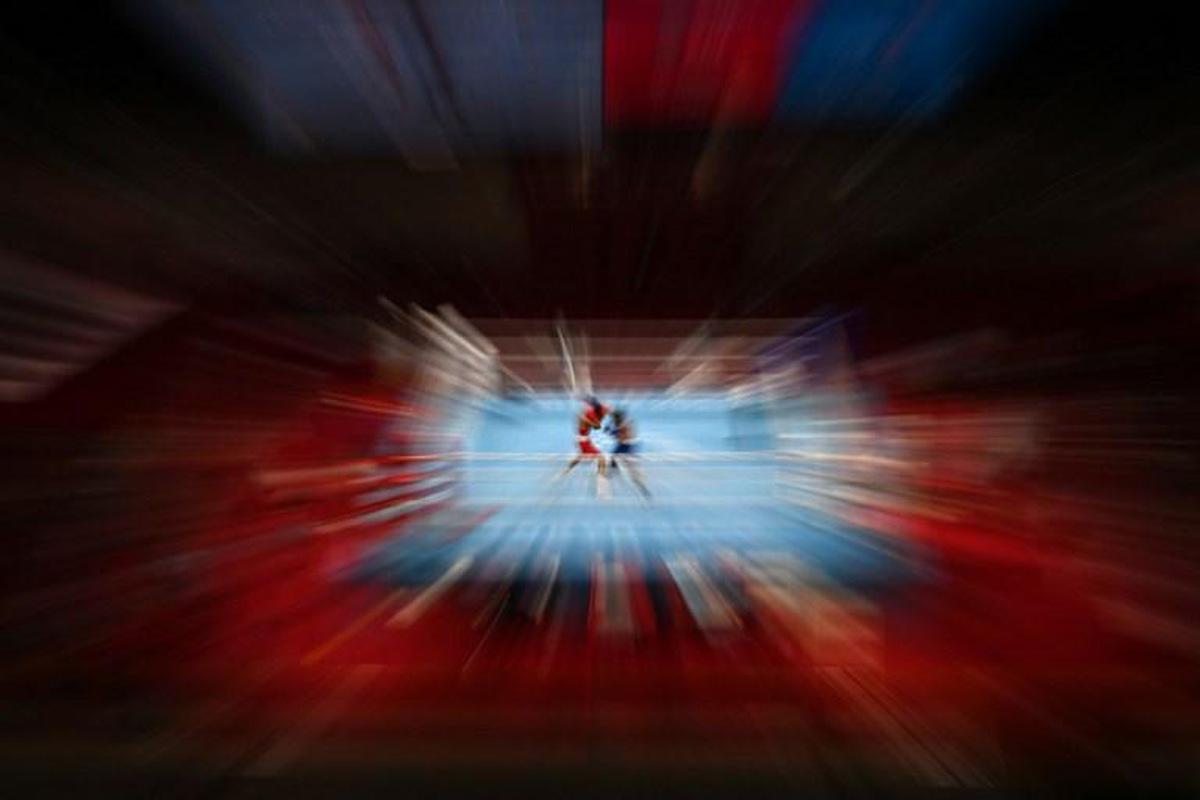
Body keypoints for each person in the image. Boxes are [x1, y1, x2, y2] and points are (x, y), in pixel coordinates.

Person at [558, 395, 609, 484]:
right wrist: (597, 420)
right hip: (584, 441)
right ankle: (601, 477)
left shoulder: (584, 416)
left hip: (582, 440)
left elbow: (594, 424)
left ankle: (566, 470)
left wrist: (595, 419)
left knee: (580, 456)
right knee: (601, 458)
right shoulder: (585, 418)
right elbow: (597, 427)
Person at [606, 408, 650, 499]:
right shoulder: (621, 423)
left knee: (631, 470)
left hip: (628, 447)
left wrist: (611, 432)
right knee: (612, 458)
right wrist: (612, 431)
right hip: (623, 445)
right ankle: (614, 471)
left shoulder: (624, 425)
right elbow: (619, 438)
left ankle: (642, 488)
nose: (613, 419)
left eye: (614, 417)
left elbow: (622, 438)